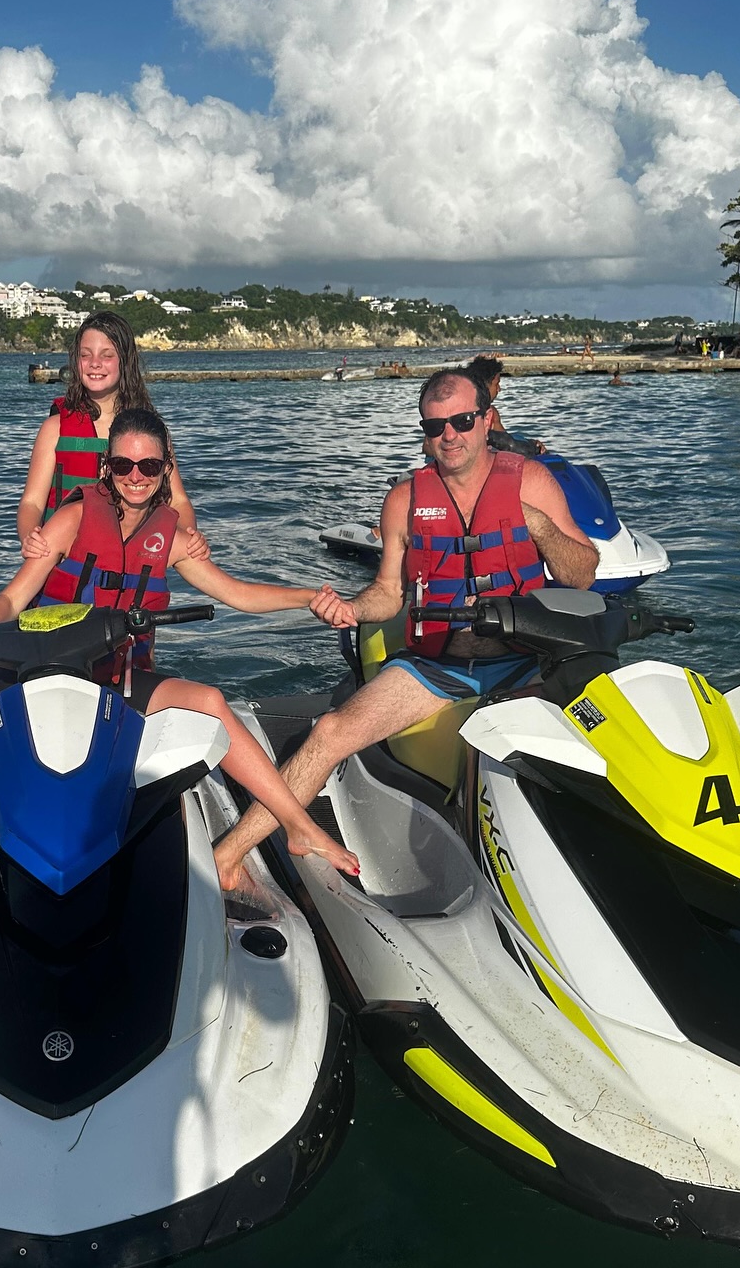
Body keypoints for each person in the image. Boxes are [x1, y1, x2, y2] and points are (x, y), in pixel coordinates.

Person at [0, 408, 360, 887]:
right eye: (123, 465)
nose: (135, 477)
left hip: (115, 677)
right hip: (36, 670)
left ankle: (298, 827)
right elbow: (11, 599)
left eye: (149, 466)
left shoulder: (172, 538)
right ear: (106, 467)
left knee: (212, 702)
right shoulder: (72, 519)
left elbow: (238, 594)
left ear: (165, 470)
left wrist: (308, 598)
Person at [212, 370, 597, 888]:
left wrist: (541, 526)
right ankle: (230, 854)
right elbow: (389, 593)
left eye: (462, 421)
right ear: (424, 433)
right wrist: (350, 609)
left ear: (486, 421)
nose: (450, 436)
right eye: (436, 426)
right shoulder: (404, 500)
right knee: (328, 732)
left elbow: (582, 576)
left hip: (529, 658)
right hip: (440, 664)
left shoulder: (531, 481)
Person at [16, 311, 204, 562]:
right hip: (63, 561)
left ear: (124, 362)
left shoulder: (150, 432)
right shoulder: (54, 429)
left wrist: (189, 537)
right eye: (85, 355)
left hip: (127, 563)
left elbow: (177, 500)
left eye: (107, 356)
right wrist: (30, 537)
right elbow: (31, 503)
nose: (95, 363)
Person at [467, 354, 545, 457]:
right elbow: (510, 445)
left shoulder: (491, 413)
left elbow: (507, 441)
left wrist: (532, 444)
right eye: (496, 384)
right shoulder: (487, 413)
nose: (499, 389)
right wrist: (533, 449)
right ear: (485, 385)